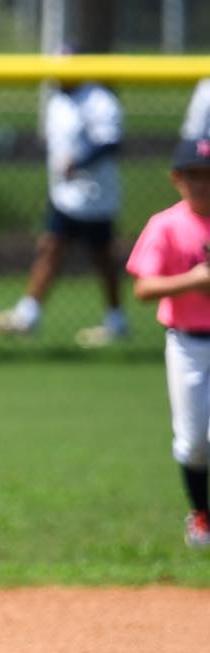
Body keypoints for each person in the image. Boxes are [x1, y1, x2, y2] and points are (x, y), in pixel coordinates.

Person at [0, 78, 127, 348]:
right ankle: (28, 315)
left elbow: (111, 142)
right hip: (64, 195)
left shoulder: (99, 99)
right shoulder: (57, 101)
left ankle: (116, 321)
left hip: (95, 194)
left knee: (103, 258)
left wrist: (81, 162)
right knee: (50, 247)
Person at [123, 137, 210, 548]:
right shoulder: (167, 225)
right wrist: (195, 280)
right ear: (177, 180)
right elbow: (143, 288)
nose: (203, 185)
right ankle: (201, 514)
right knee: (194, 444)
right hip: (187, 344)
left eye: (208, 177)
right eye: (194, 177)